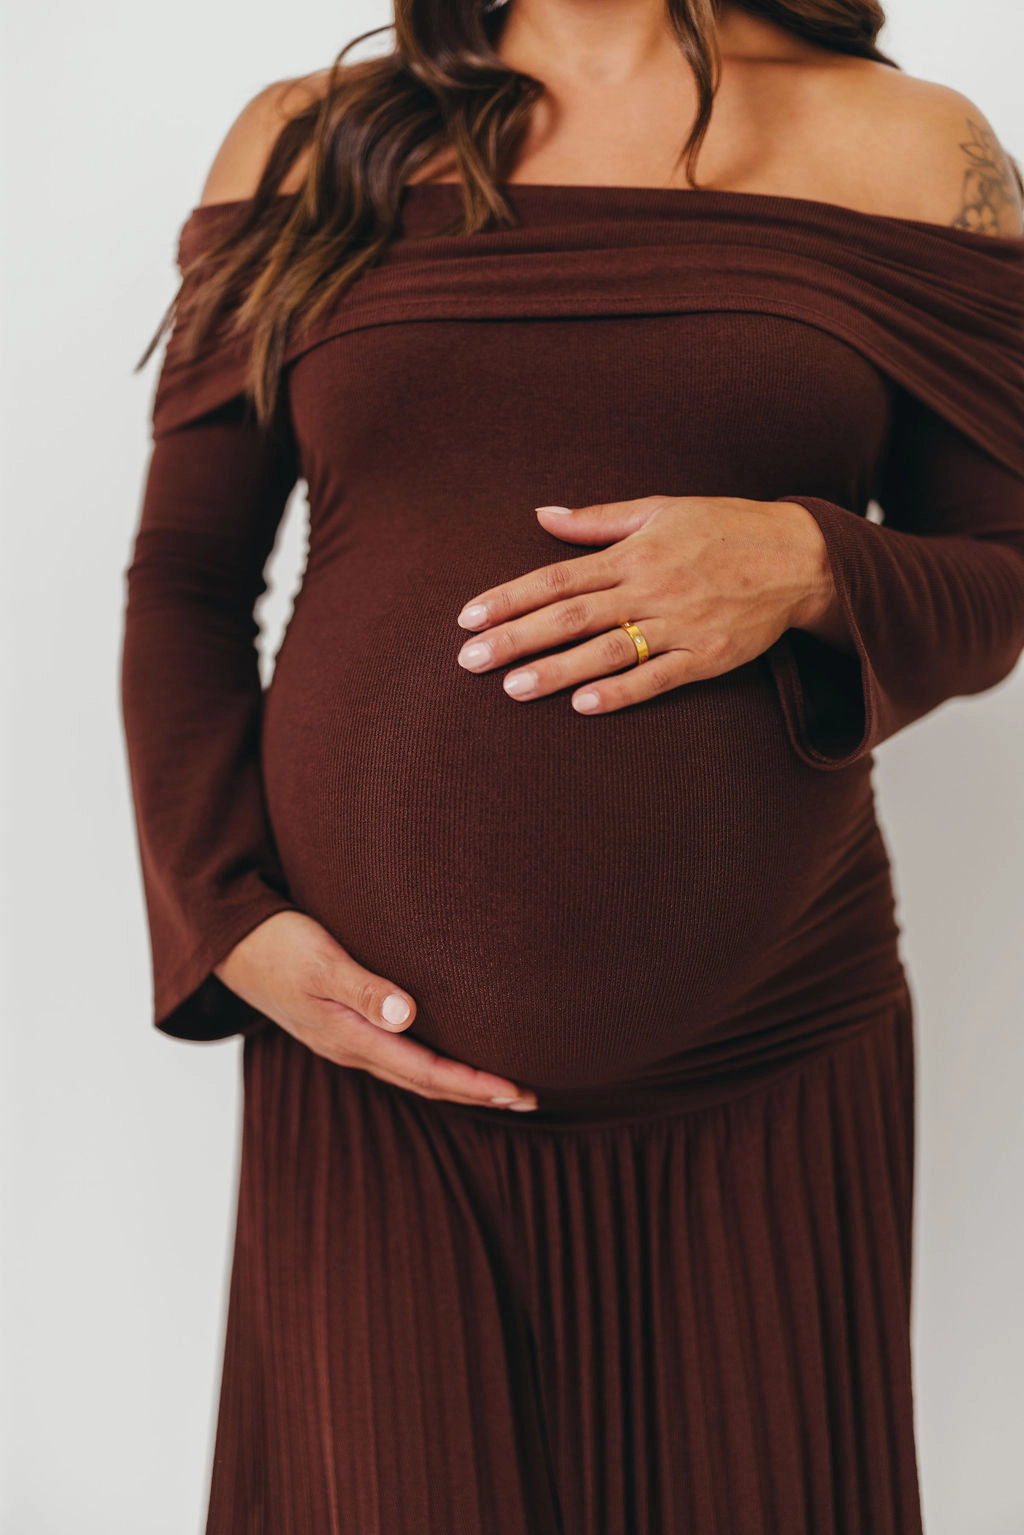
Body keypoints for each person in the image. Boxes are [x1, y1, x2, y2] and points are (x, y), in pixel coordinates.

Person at [120, 0, 1024, 1528]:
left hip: (769, 1071)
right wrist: (228, 923)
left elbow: (1004, 573)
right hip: (372, 1084)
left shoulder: (911, 146)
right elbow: (185, 582)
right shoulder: (310, 139)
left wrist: (812, 562)